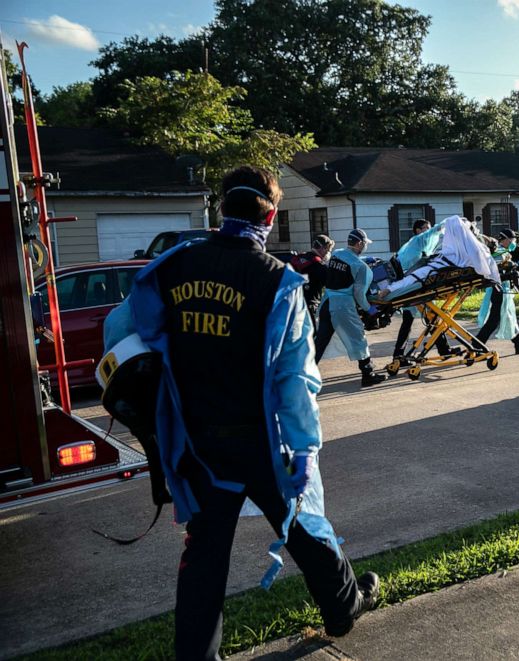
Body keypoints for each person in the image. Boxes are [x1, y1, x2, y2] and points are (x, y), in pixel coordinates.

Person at [101, 166, 378, 660]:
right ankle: (341, 608)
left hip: (195, 441)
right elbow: (297, 379)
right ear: (270, 215)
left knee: (204, 553)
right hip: (260, 441)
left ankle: (196, 655)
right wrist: (306, 449)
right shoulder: (279, 282)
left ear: (221, 208)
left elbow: (120, 330)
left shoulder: (172, 267)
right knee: (301, 523)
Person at [313, 228, 386, 387]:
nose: (365, 246)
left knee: (320, 342)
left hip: (327, 302)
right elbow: (359, 294)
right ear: (359, 243)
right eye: (365, 244)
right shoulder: (361, 267)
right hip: (343, 306)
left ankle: (302, 375)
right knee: (358, 337)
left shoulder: (336, 254)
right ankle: (368, 374)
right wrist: (370, 310)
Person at [391, 218, 456, 363]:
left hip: (411, 284)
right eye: (425, 228)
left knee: (417, 319)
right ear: (418, 230)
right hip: (412, 285)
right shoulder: (418, 241)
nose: (429, 230)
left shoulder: (422, 244)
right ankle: (444, 350)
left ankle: (398, 355)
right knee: (431, 316)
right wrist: (447, 224)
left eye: (429, 227)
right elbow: (435, 232)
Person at [476, 229, 519, 354]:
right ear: (505, 239)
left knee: (509, 316)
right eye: (512, 240)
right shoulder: (499, 253)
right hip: (499, 291)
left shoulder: (501, 252)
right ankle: (477, 344)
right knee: (494, 320)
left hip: (502, 290)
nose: (514, 242)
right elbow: (497, 274)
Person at [290, 234, 334, 329]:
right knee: (311, 336)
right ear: (323, 248)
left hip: (292, 304)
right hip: (309, 306)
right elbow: (332, 285)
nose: (328, 252)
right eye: (328, 250)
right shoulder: (319, 265)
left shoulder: (300, 258)